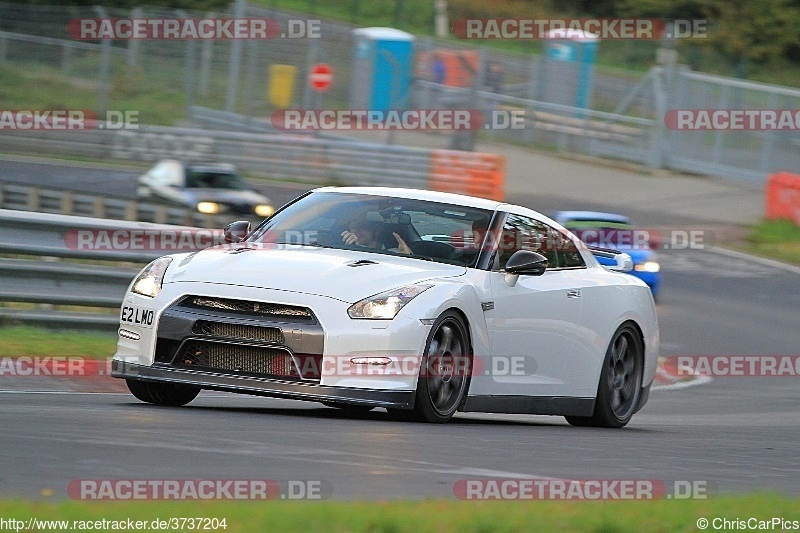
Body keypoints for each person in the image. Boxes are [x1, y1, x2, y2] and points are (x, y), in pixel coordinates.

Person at [341, 218, 411, 255]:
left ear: (377, 230)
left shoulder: (394, 253)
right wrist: (351, 247)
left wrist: (407, 257)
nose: (356, 231)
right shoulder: (344, 250)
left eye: (362, 227)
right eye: (353, 227)